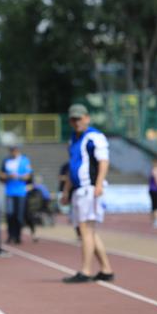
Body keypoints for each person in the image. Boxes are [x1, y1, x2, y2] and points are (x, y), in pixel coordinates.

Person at [60, 104, 114, 283]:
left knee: (85, 230)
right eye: (73, 119)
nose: (76, 122)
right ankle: (106, 269)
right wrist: (66, 190)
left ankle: (86, 270)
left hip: (89, 188)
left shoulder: (94, 136)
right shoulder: (73, 139)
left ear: (87, 118)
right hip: (78, 190)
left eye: (79, 118)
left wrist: (98, 185)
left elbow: (103, 162)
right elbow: (71, 167)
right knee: (87, 231)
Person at [0, 146, 32, 244]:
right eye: (11, 151)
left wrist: (19, 176)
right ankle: (10, 235)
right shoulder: (6, 160)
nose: (13, 153)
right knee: (10, 214)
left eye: (15, 151)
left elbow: (28, 176)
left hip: (21, 192)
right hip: (9, 191)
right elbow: (1, 174)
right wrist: (9, 176)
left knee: (19, 215)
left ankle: (17, 236)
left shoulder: (25, 160)